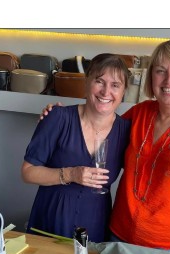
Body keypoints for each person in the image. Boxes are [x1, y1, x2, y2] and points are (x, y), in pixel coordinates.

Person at [44, 41, 170, 254]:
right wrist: (61, 115)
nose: (169, 80)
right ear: (151, 77)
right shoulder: (140, 112)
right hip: (119, 234)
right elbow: (101, 126)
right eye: (160, 71)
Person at [21, 54, 132, 243]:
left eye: (115, 85)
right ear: (87, 82)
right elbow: (27, 172)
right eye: (99, 81)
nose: (106, 92)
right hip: (51, 223)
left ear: (123, 92)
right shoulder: (58, 118)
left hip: (96, 226)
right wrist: (71, 174)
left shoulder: (127, 131)